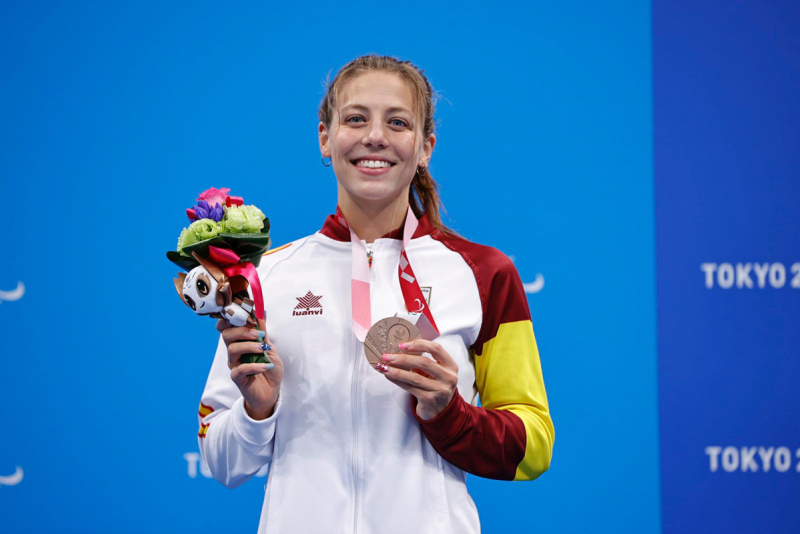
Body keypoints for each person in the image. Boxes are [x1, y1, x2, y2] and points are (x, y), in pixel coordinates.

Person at [197, 54, 554, 534]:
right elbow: (221, 462)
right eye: (356, 118)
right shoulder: (265, 276)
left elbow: (533, 446)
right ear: (324, 137)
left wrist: (449, 413)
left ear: (425, 146)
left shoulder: (483, 272)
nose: (375, 137)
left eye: (398, 122)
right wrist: (258, 410)